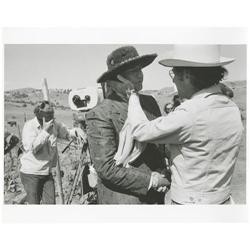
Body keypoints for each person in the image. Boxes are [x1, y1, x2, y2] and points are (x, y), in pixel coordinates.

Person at [121, 45, 243, 204]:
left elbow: (140, 130)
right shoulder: (231, 108)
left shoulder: (190, 113)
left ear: (186, 75)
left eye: (174, 73)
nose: (173, 79)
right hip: (224, 200)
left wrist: (132, 97)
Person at [85, 46, 170, 204]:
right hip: (125, 199)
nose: (140, 75)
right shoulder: (101, 113)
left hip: (156, 197)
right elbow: (106, 168)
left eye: (140, 69)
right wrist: (151, 181)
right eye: (133, 71)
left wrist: (163, 172)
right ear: (118, 78)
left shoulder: (149, 102)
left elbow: (159, 146)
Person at [20, 101, 86, 204]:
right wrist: (45, 132)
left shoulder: (54, 124)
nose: (51, 116)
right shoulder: (29, 126)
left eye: (52, 113)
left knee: (51, 204)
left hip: (46, 172)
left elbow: (67, 132)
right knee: (34, 204)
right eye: (48, 113)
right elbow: (33, 148)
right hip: (31, 174)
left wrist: (77, 131)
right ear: (39, 113)